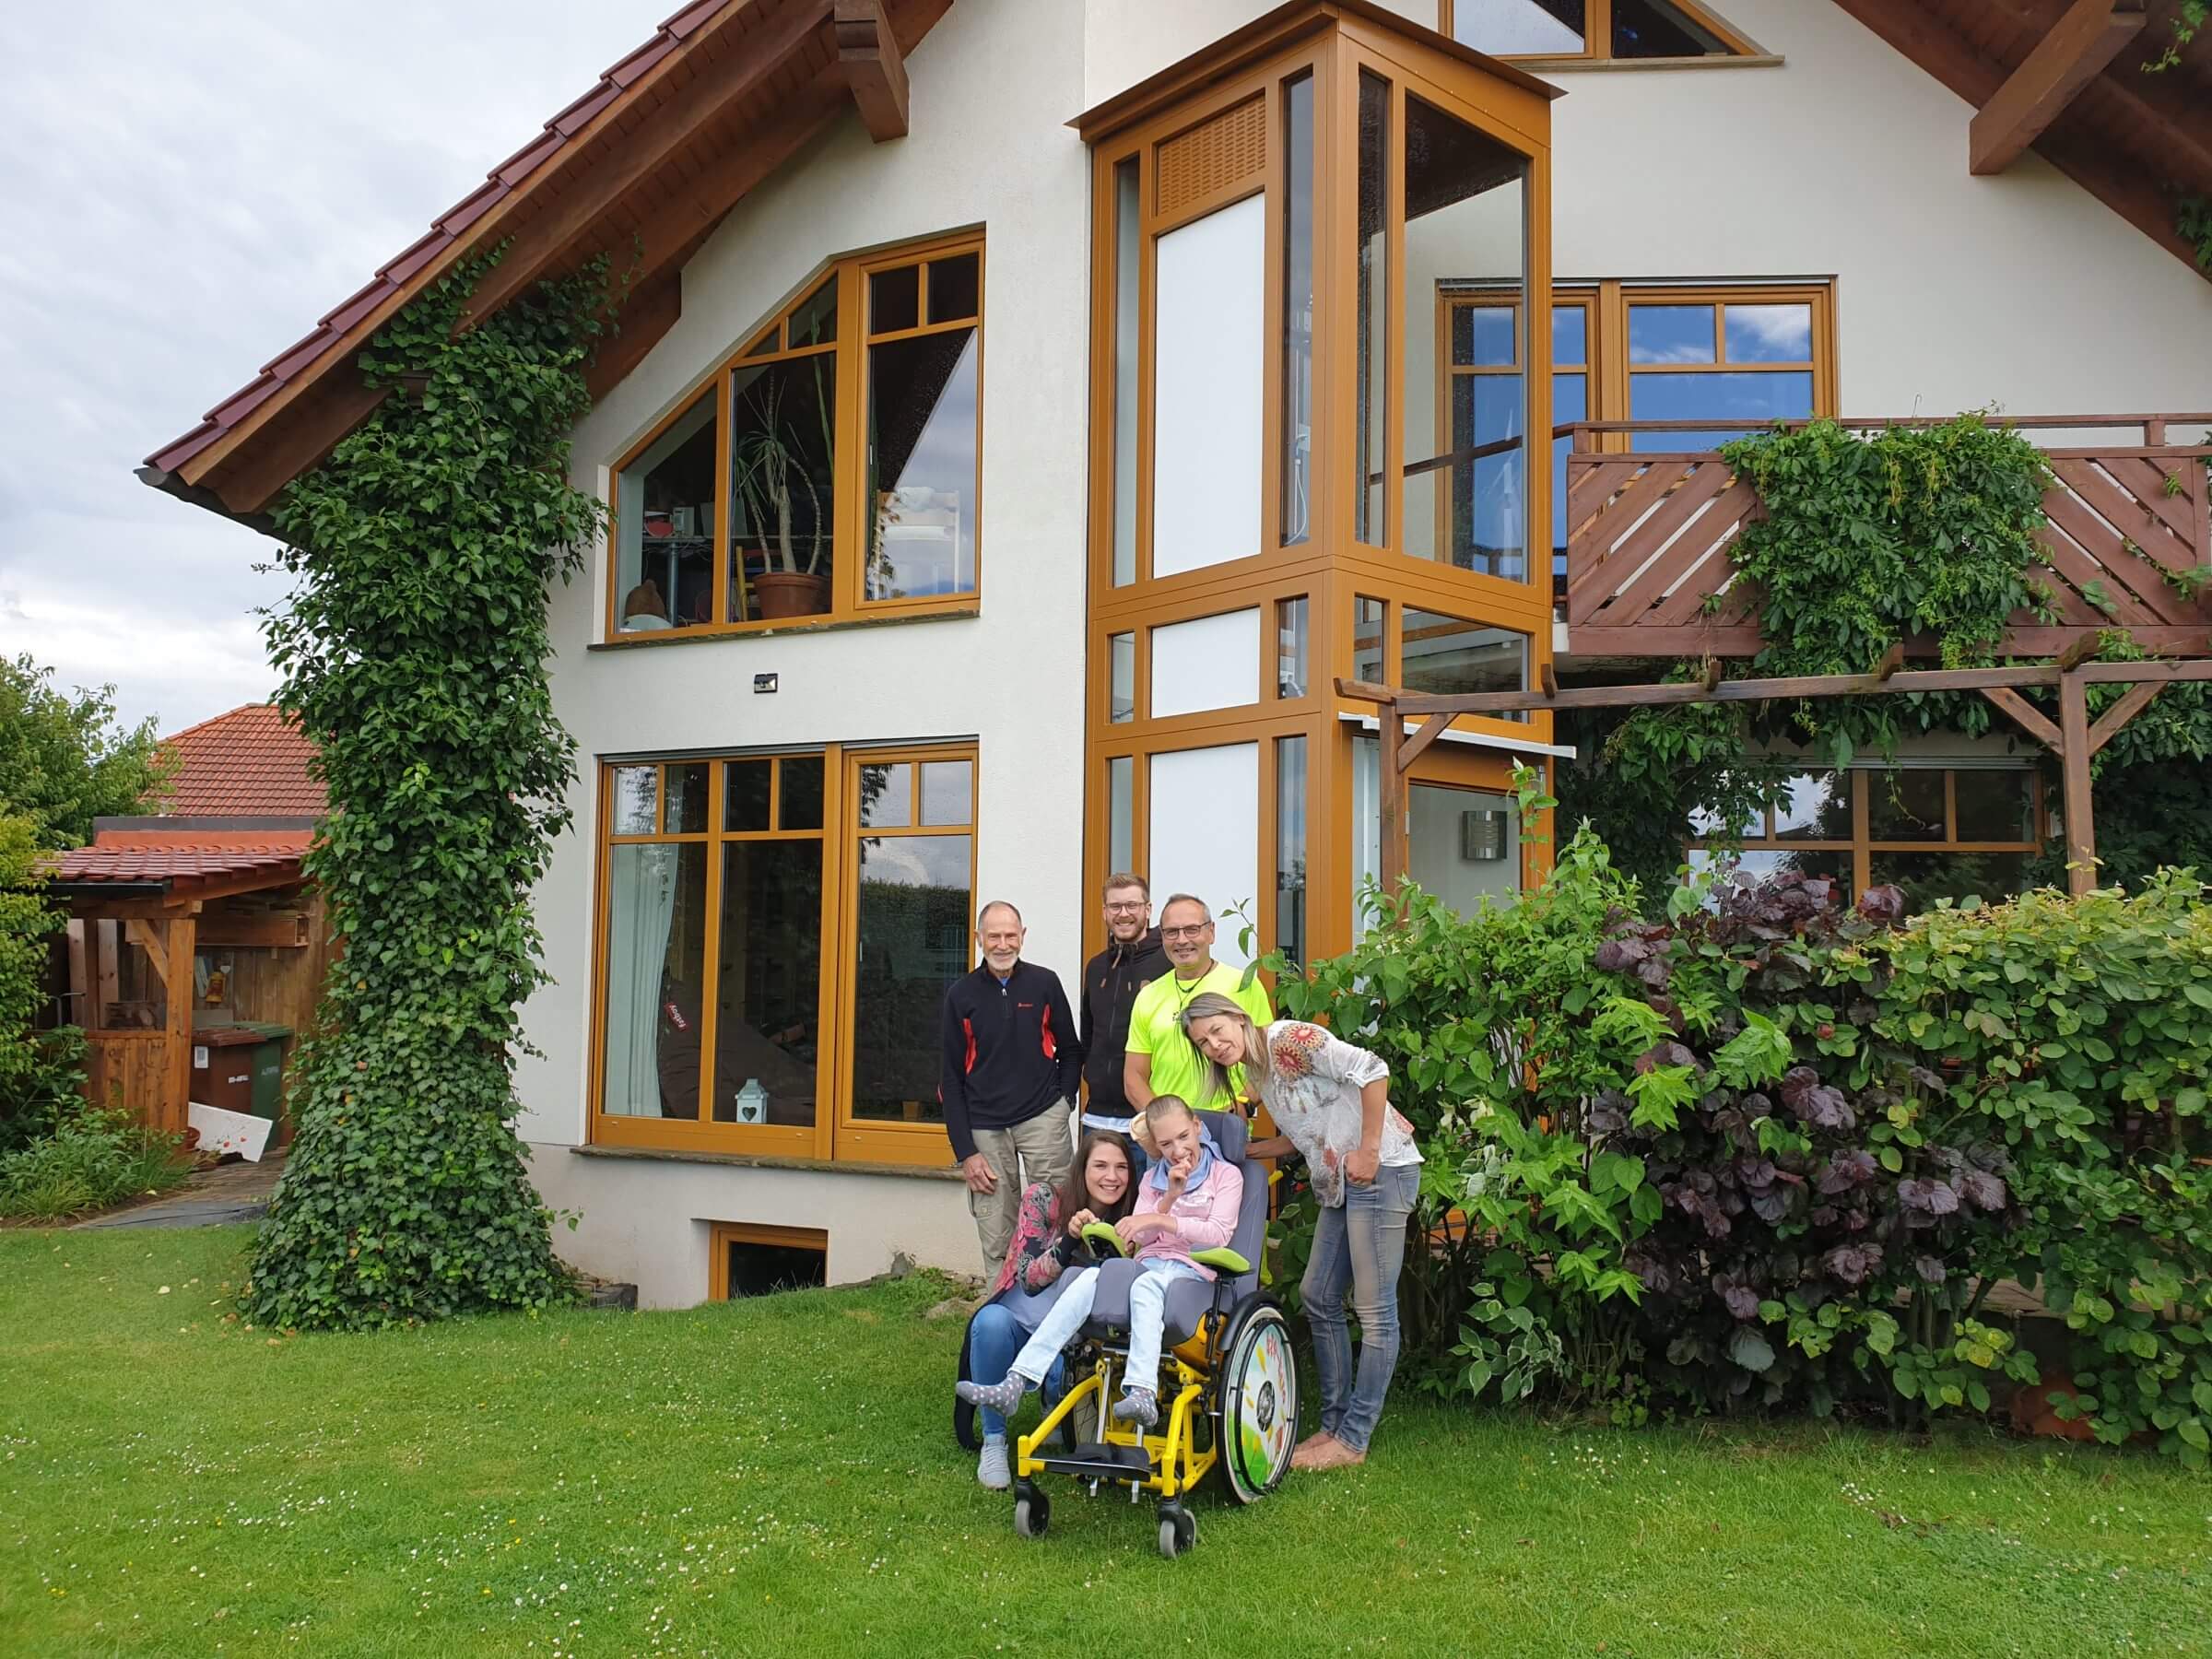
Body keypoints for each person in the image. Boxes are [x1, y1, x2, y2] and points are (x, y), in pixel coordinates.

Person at [1181, 992, 1421, 1473]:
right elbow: (1304, 1133)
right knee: (1318, 1295)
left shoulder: (1290, 1038)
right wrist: (1245, 1153)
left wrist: (1370, 1151)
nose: (1215, 1045)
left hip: (1381, 1172)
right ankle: (1332, 1426)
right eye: (1203, 1043)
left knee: (1375, 1313)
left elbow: (1372, 1069)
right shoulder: (1257, 1072)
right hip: (1342, 1185)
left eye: (1217, 1030)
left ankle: (1353, 1439)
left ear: (1239, 1017)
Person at [957, 1095, 1242, 1430]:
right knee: (1088, 1279)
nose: (1178, 1150)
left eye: (1183, 1137)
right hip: (1148, 1266)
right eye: (1166, 1144)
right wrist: (1168, 1197)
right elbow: (1140, 1238)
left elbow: (1218, 1235)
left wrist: (1160, 1219)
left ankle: (1143, 1391)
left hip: (1190, 1274)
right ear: (1156, 1146)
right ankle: (1017, 1381)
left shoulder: (1227, 1176)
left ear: (1197, 1127)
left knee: (1145, 1284)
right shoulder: (1153, 1181)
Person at [966, 1131, 1138, 1489]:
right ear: (1081, 1169)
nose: (1112, 1177)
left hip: (1077, 1335)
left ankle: (1054, 1409)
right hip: (1022, 1316)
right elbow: (1029, 1279)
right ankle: (994, 1441)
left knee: (1066, 1368)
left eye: (1121, 1167)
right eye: (1100, 1166)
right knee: (990, 1323)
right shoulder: (1043, 1199)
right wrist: (1070, 1239)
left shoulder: (1133, 1218)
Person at [940, 900, 1082, 1276]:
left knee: (1057, 1223)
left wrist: (1063, 1105)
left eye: (1010, 935)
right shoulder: (961, 995)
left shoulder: (1045, 983)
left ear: (1023, 936)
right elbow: (950, 1078)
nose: (1003, 945)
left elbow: (1071, 1050)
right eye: (993, 937)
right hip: (985, 1130)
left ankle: (1054, 1310)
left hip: (1042, 1120)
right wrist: (966, 1152)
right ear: (978, 939)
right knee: (997, 1235)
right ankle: (1001, 1310)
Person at [1123, 894, 1272, 1133]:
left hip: (1226, 1127)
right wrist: (1165, 1124)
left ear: (1211, 932)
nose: (1182, 940)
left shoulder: (1244, 985)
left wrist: (1244, 1103)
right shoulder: (1148, 996)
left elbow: (1266, 1058)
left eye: (1192, 929)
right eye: (1172, 932)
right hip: (1168, 1138)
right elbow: (1134, 1076)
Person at [1077, 872, 1167, 1148]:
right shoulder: (1096, 967)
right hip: (1097, 1117)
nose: (1124, 914)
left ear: (1148, 910)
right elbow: (1089, 1034)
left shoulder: (1167, 963)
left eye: (1132, 905)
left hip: (1148, 1116)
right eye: (1115, 906)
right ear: (1104, 912)